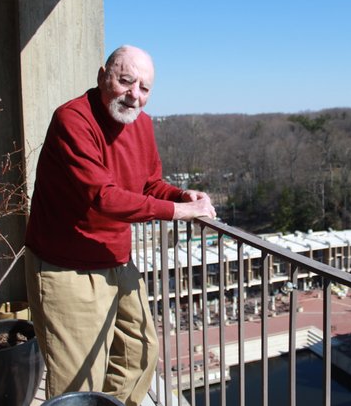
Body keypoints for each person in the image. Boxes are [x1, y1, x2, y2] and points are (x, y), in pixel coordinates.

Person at [24, 45, 216, 405]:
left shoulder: (141, 124)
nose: (134, 95)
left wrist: (180, 196)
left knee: (140, 351)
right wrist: (178, 214)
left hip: (114, 255)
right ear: (102, 77)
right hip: (66, 265)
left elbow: (148, 184)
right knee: (78, 378)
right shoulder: (73, 120)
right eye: (125, 81)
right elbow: (103, 196)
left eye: (144, 88)